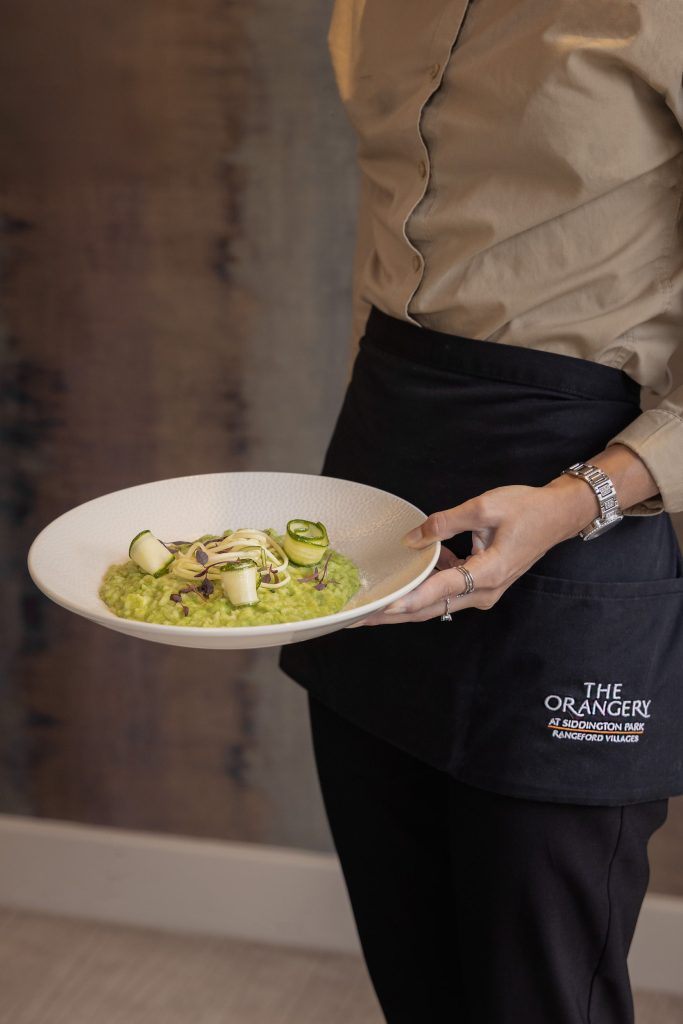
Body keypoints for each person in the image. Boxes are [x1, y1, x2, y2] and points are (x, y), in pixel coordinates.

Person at [278, 2, 683, 1021]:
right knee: (411, 957)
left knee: (537, 985)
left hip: (588, 492)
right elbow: (387, 237)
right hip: (384, 471)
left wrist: (579, 499)